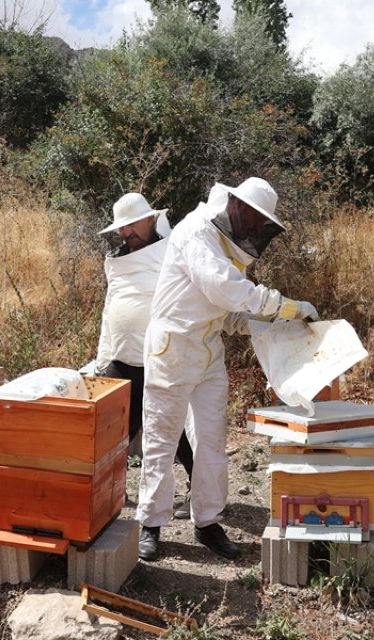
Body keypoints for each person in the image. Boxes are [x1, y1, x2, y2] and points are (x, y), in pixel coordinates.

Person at [136, 177, 317, 562]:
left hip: (207, 352)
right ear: (236, 206)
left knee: (212, 441)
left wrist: (275, 325)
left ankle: (207, 522)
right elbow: (229, 290)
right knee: (161, 440)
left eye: (261, 224)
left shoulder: (225, 244)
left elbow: (228, 313)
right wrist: (287, 306)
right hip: (172, 350)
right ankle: (150, 523)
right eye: (254, 219)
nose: (255, 229)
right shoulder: (196, 234)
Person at [92, 193, 197, 519]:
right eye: (121, 228)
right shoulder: (117, 260)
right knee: (114, 430)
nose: (126, 232)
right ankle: (108, 492)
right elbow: (110, 308)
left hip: (162, 357)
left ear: (152, 219)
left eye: (133, 224)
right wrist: (102, 359)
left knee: (175, 428)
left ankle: (200, 492)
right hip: (121, 357)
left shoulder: (173, 251)